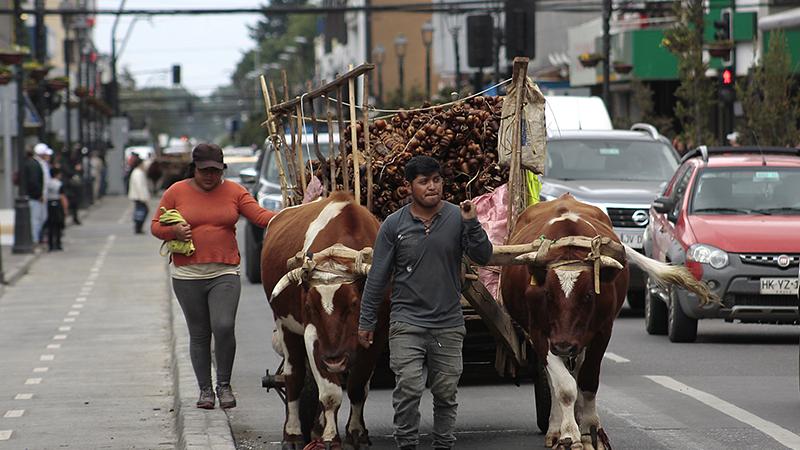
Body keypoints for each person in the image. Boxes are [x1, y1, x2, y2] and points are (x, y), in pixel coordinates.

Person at [358, 156, 493, 450]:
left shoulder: (459, 218)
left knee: (446, 393)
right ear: (409, 187)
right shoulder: (393, 226)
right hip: (407, 322)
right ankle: (407, 443)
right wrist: (366, 322)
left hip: (448, 324)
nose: (432, 187)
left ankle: (444, 443)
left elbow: (484, 256)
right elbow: (377, 277)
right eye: (424, 182)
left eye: (437, 180)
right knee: (408, 388)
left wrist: (472, 223)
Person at [151, 143, 276, 410]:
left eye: (216, 171)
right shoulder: (176, 192)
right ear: (194, 168)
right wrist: (174, 232)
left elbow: (262, 217)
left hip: (224, 272)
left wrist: (296, 214)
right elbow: (155, 225)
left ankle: (224, 385)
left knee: (223, 326)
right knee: (199, 334)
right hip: (187, 275)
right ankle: (205, 391)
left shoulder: (235, 191)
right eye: (204, 170)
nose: (210, 176)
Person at [22, 146, 45, 244]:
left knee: (34, 219)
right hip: (34, 197)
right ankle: (34, 240)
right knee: (36, 219)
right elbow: (34, 181)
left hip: (29, 195)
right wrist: (39, 194)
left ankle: (34, 239)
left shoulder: (26, 163)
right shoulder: (34, 164)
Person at [44, 167, 68, 251]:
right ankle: (58, 244)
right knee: (58, 225)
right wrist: (65, 209)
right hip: (57, 204)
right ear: (57, 174)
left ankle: (50, 245)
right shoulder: (59, 184)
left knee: (50, 225)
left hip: (49, 204)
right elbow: (62, 197)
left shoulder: (47, 183)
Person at [128, 154, 151, 234]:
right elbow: (140, 186)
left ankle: (138, 227)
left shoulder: (137, 172)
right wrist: (143, 197)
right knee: (142, 211)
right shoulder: (138, 173)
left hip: (138, 196)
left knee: (140, 211)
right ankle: (138, 227)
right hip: (139, 196)